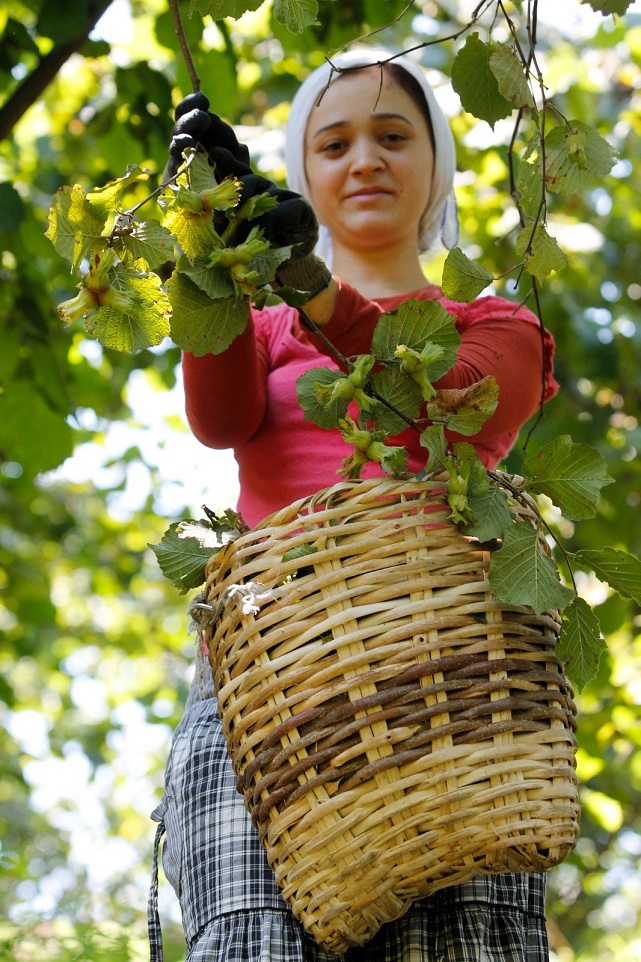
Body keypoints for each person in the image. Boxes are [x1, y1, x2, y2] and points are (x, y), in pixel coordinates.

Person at [149, 47, 558, 962]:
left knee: (461, 944)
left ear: (435, 164)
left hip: (453, 684)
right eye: (331, 144)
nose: (363, 159)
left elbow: (442, 402)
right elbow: (218, 423)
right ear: (301, 174)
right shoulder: (259, 331)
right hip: (263, 695)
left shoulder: (495, 326)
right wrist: (201, 241)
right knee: (254, 943)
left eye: (390, 136)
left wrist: (314, 286)